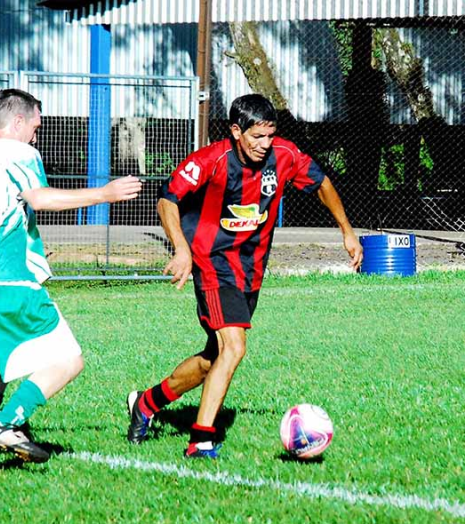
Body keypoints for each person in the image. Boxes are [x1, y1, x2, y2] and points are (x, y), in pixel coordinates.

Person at [126, 94, 363, 459]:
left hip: (251, 270)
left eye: (270, 135)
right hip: (212, 263)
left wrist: (347, 230)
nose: (265, 144)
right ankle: (200, 441)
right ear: (237, 131)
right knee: (234, 347)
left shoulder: (284, 156)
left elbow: (321, 183)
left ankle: (146, 403)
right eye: (257, 136)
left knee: (213, 358)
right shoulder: (211, 160)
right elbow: (167, 198)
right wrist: (182, 249)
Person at [0, 88, 142, 467]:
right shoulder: (18, 152)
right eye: (35, 126)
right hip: (4, 281)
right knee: (68, 360)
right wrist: (105, 193)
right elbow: (40, 198)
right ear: (18, 122)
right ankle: (5, 424)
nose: (36, 135)